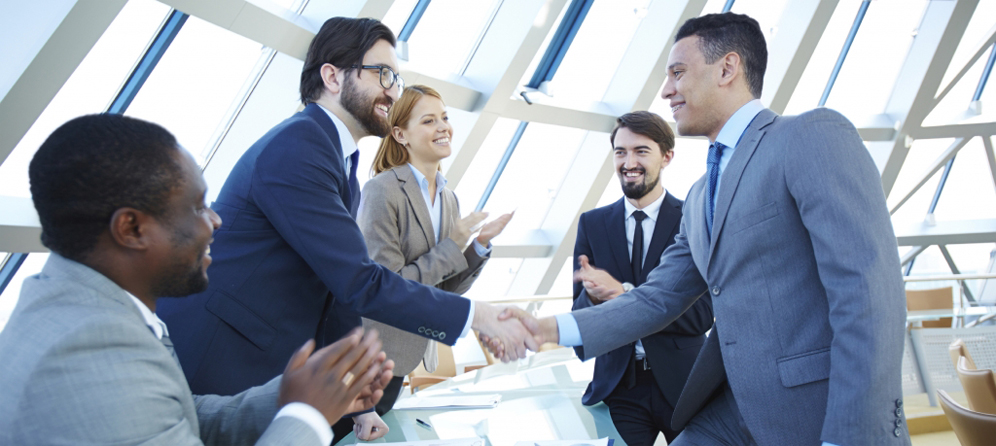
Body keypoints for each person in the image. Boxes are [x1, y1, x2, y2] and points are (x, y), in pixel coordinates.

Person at [499, 12, 909, 446]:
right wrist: (545, 329)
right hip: (729, 414)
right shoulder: (699, 197)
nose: (666, 90)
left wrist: (849, 438)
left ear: (727, 68)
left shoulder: (809, 137)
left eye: (678, 72)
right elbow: (657, 298)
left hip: (815, 414)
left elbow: (868, 294)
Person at [156, 17, 533, 441]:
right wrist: (478, 317)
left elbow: (338, 297)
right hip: (221, 353)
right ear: (332, 76)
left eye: (397, 77)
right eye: (383, 74)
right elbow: (360, 281)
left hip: (260, 360)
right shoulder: (299, 146)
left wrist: (361, 401)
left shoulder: (339, 163)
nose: (394, 89)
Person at [0, 114, 395, 446]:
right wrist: (306, 416)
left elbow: (175, 417)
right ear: (131, 228)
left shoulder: (86, 308)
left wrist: (290, 395)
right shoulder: (90, 351)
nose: (215, 221)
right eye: (197, 207)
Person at [330, 85, 514, 440]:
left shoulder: (449, 198)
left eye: (445, 117)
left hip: (401, 360)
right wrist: (454, 244)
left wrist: (477, 247)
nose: (443, 126)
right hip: (364, 362)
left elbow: (442, 288)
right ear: (400, 134)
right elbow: (386, 286)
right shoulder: (382, 191)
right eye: (429, 120)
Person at [572, 111, 713, 446]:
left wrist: (625, 295)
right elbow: (579, 316)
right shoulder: (592, 224)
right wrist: (593, 296)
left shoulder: (691, 219)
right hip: (620, 387)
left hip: (685, 383)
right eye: (620, 152)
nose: (628, 162)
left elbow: (703, 313)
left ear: (666, 157)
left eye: (641, 151)